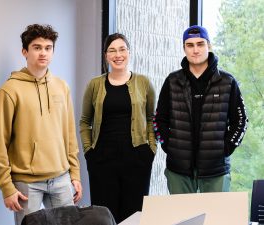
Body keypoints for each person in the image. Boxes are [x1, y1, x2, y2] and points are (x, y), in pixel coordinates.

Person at [0, 24, 82, 225]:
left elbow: (69, 134)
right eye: (37, 47)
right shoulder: (9, 91)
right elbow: (0, 142)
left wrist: (74, 174)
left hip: (61, 178)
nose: (43, 53)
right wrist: (6, 186)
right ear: (25, 51)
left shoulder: (62, 87)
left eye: (48, 48)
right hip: (26, 184)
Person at [154, 25, 248, 194]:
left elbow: (241, 121)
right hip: (179, 170)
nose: (195, 50)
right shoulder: (172, 81)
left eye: (200, 44)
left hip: (216, 170)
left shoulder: (227, 82)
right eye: (190, 45)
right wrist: (169, 146)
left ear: (208, 46)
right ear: (184, 48)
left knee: (217, 219)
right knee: (181, 218)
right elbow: (158, 120)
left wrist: (226, 148)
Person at [79, 33, 156, 223]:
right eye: (112, 50)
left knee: (134, 216)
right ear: (106, 56)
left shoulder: (143, 82)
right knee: (104, 216)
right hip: (102, 160)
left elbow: (152, 119)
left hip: (137, 158)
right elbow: (84, 121)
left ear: (129, 53)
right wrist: (89, 152)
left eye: (122, 49)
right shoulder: (94, 84)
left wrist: (151, 150)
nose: (118, 55)